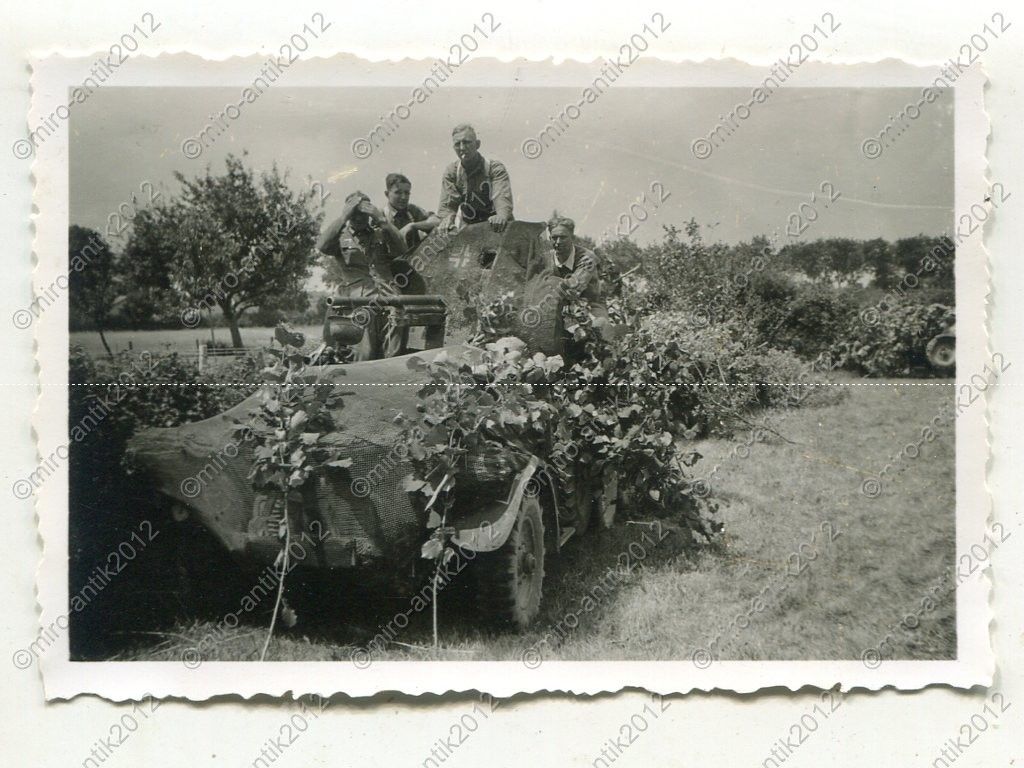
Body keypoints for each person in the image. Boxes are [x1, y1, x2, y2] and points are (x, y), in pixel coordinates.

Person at [317, 191, 409, 360]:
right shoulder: (340, 236)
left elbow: (403, 249)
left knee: (395, 347)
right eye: (355, 214)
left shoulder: (380, 233)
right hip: (357, 298)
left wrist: (381, 219)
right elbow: (322, 245)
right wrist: (343, 217)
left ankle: (391, 373)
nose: (359, 218)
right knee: (365, 350)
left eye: (363, 213)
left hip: (388, 295)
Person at [437, 124, 514, 232]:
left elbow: (502, 197)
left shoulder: (494, 168)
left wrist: (501, 216)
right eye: (457, 144)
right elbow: (447, 206)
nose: (462, 148)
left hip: (498, 226)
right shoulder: (452, 172)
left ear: (477, 144)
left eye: (467, 142)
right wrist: (447, 220)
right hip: (472, 229)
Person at [547, 216, 609, 328]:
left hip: (589, 305)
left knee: (599, 329)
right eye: (554, 237)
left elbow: (573, 288)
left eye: (563, 237)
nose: (558, 242)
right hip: (555, 306)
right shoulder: (545, 259)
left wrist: (549, 283)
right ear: (549, 238)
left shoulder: (587, 258)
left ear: (573, 238)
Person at [382, 172, 440, 251]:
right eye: (398, 193)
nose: (403, 197)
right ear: (387, 194)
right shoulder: (382, 215)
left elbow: (436, 221)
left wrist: (413, 225)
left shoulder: (412, 210)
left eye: (407, 193)